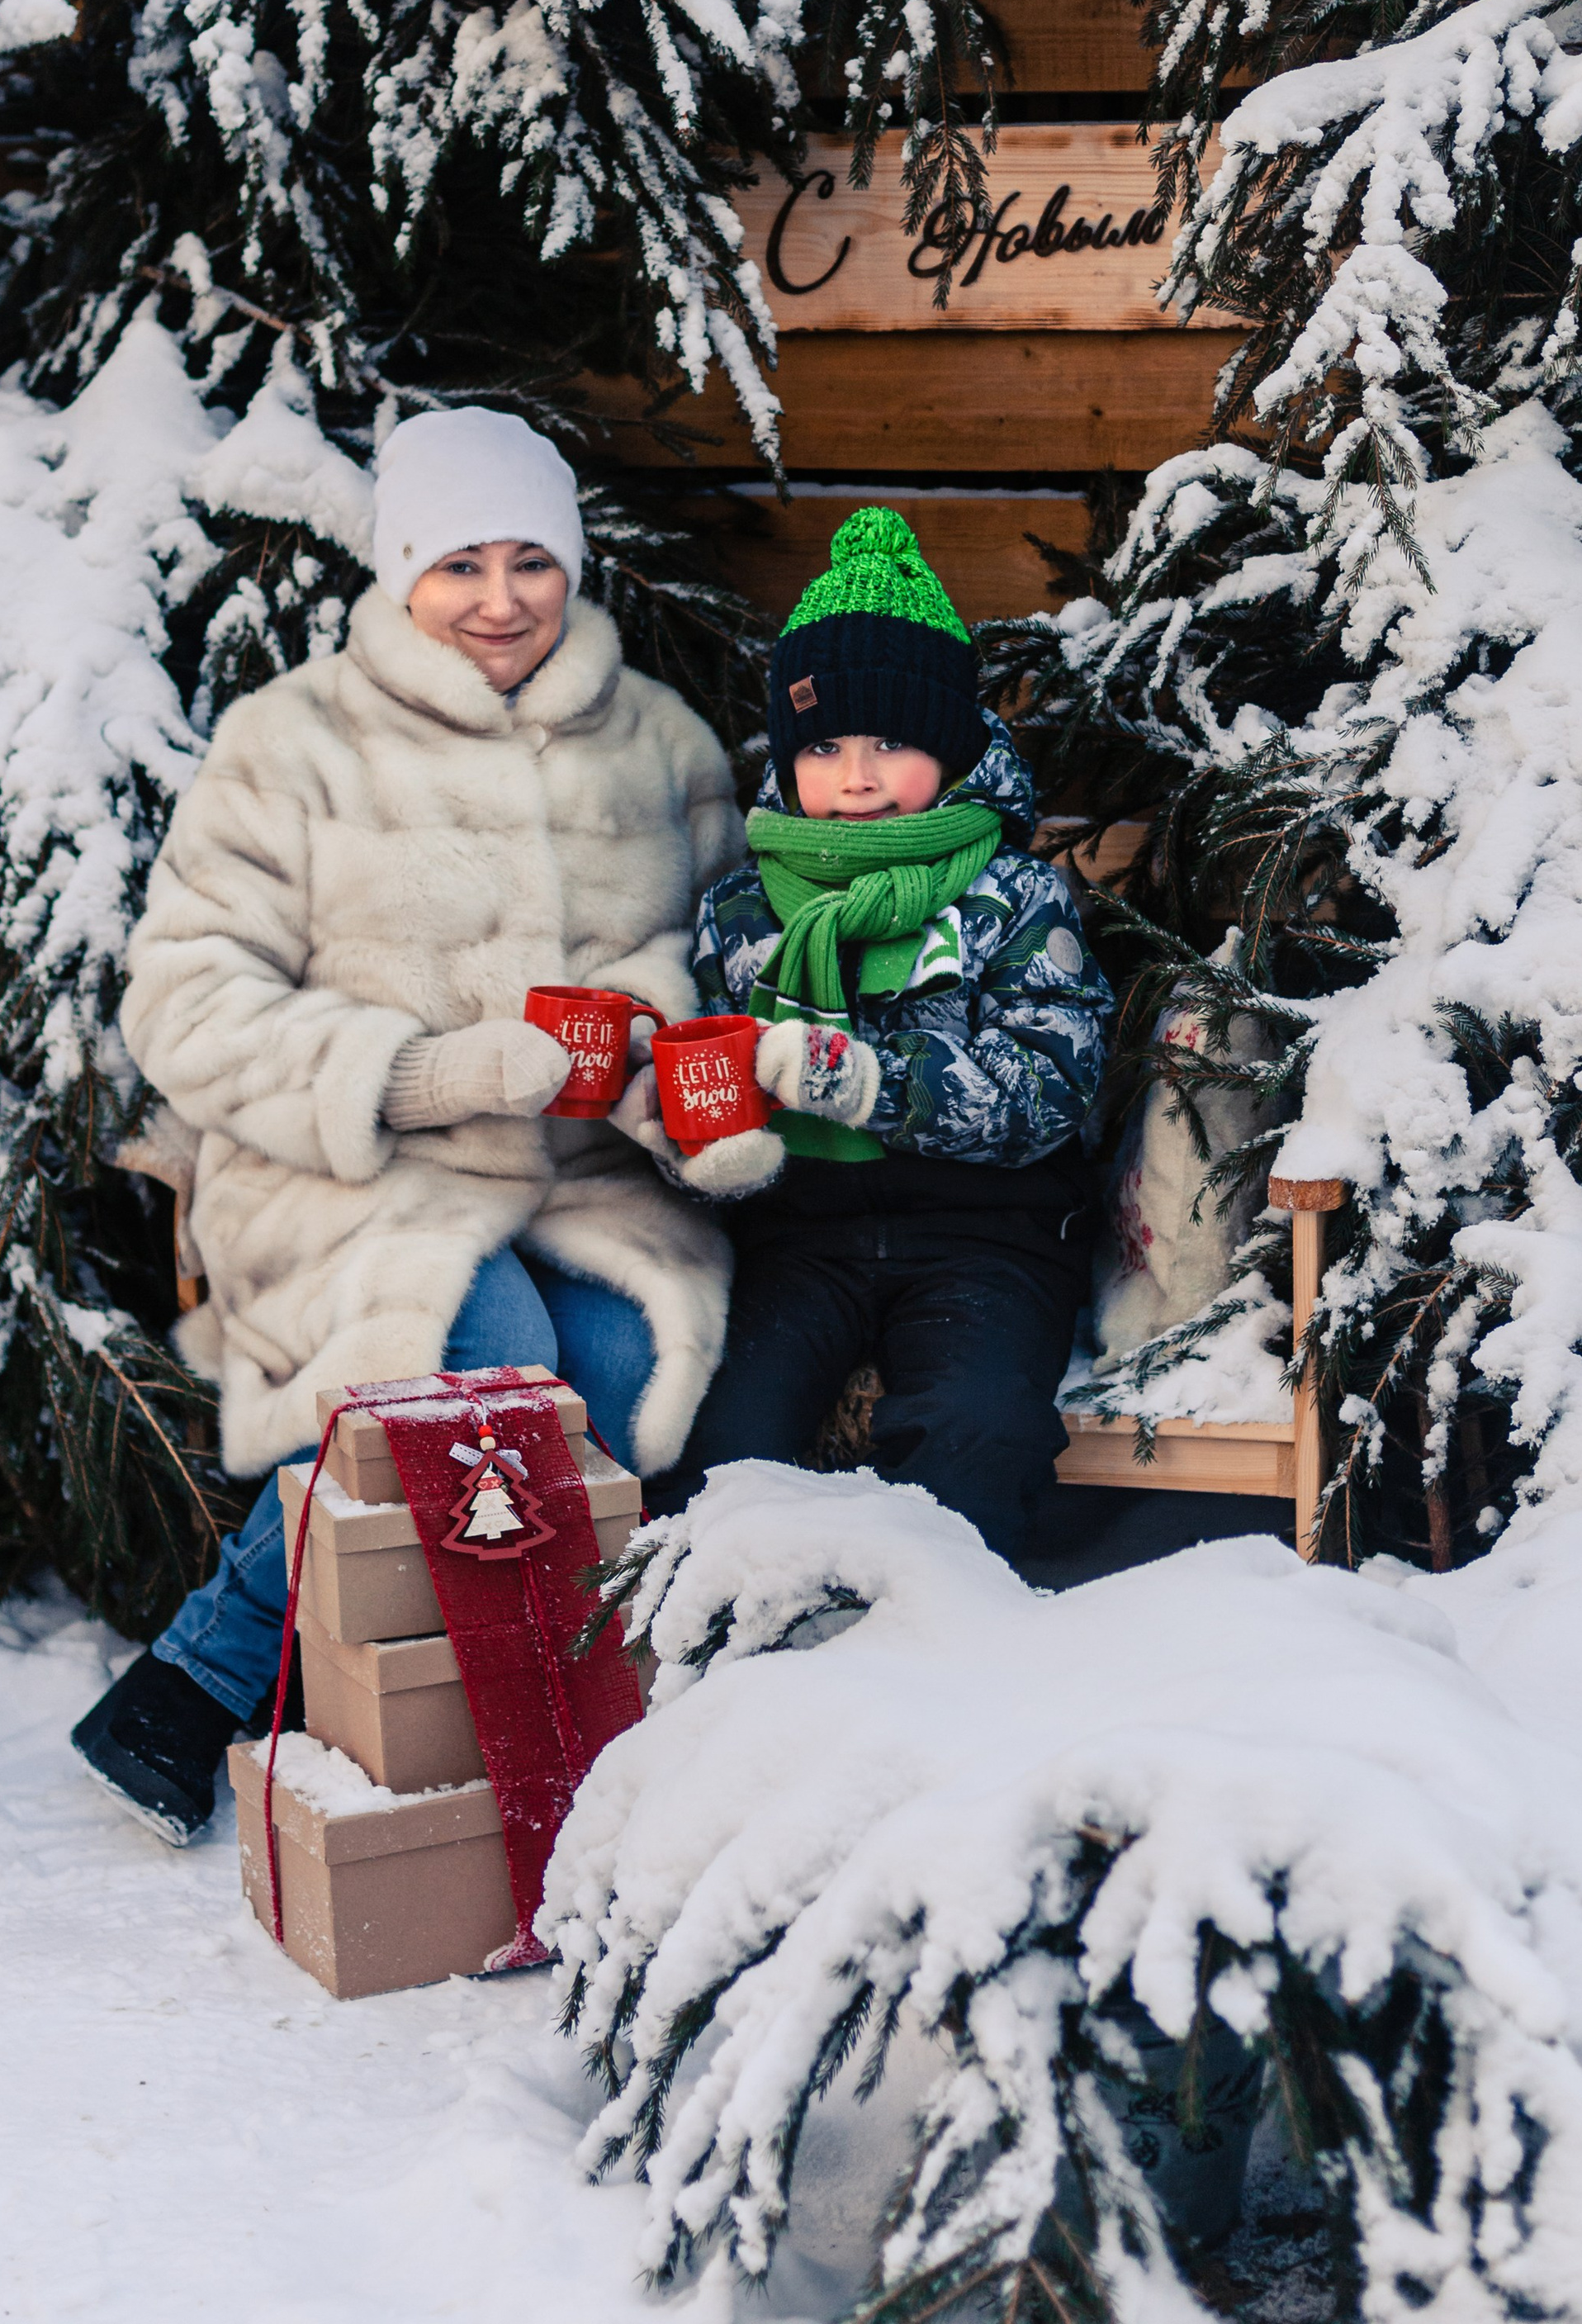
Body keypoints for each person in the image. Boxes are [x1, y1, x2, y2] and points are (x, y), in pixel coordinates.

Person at [72, 406, 742, 1839]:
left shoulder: (655, 746)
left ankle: (474, 1714)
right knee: (489, 1359)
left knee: (621, 1356)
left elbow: (716, 963)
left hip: (572, 1180)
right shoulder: (294, 745)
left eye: (531, 562)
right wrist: (428, 1074)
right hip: (344, 1165)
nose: (500, 601)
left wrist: (664, 1073)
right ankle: (199, 1680)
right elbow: (180, 1000)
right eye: (458, 566)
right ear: (398, 577)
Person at [627, 506, 1113, 1563]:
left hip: (985, 1236)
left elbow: (1050, 1087)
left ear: (946, 746)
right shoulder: (742, 908)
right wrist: (689, 1124)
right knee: (717, 1436)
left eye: (891, 741)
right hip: (797, 1238)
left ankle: (938, 1650)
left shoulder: (1012, 895)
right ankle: (737, 1661)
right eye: (824, 744)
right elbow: (707, 1075)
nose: (855, 775)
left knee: (974, 1430)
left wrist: (862, 1080)